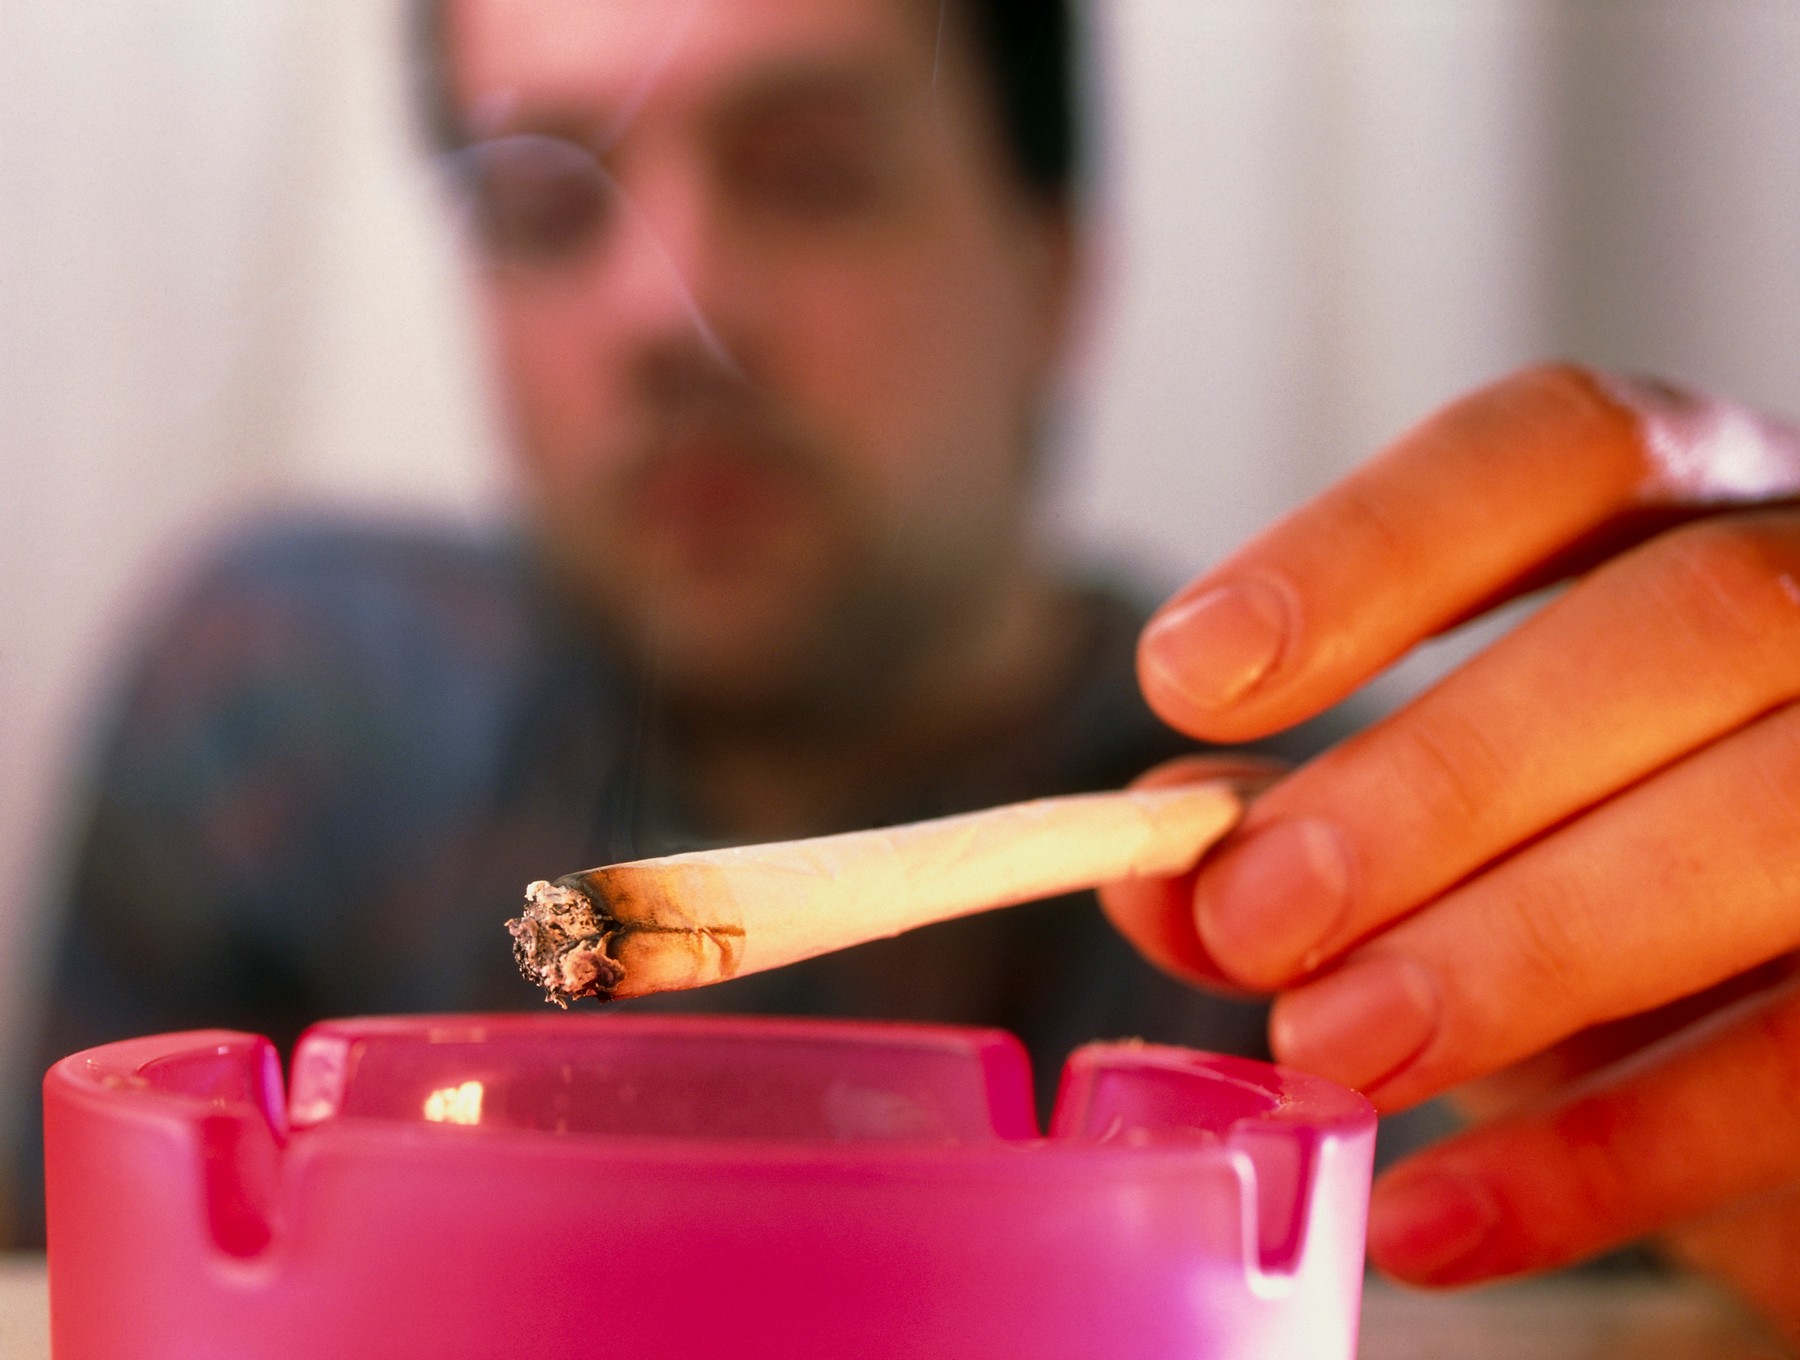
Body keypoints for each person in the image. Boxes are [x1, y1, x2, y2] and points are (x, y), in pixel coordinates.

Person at [3, 0, 1309, 1245]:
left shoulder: (1312, 885)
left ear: (1054, 269)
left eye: (811, 176)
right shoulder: (285, 727)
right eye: (544, 205)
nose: (669, 312)